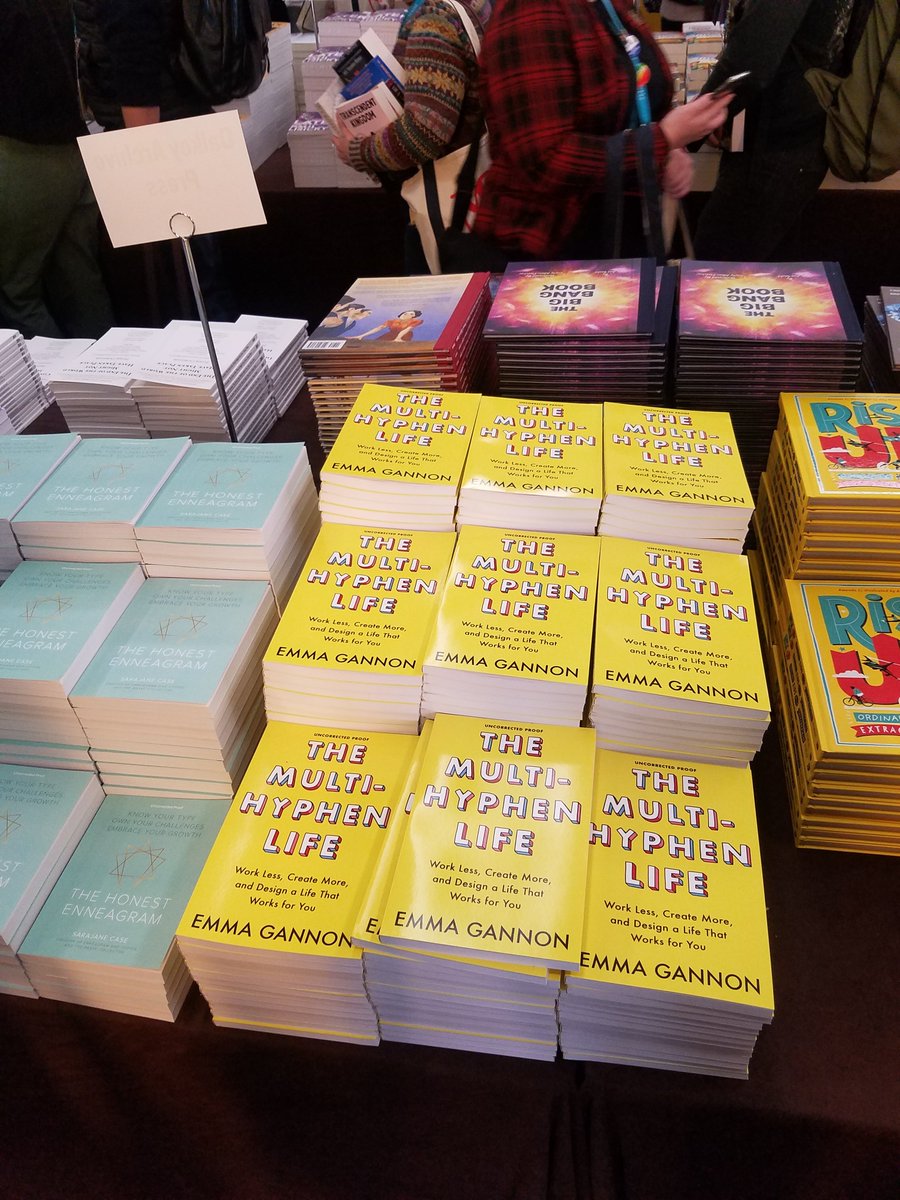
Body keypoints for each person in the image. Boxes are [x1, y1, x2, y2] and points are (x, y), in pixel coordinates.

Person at [470, 0, 733, 265]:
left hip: (617, 238)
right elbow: (544, 158)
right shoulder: (531, 9)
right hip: (554, 253)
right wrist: (661, 140)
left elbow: (629, 102)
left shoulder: (605, 5)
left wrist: (666, 152)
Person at [73, 0, 239, 320]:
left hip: (160, 139)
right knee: (201, 276)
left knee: (186, 282)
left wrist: (143, 160)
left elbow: (135, 61)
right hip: (186, 125)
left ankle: (210, 347)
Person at [333, 0, 492, 273]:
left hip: (445, 198)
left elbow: (425, 133)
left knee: (442, 292)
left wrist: (358, 151)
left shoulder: (434, 18)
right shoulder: (470, 7)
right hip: (473, 190)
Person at [692, 0, 857, 262]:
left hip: (776, 143)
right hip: (800, 132)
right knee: (770, 269)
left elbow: (751, 58)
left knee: (716, 268)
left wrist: (689, 130)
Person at [0, 0, 114, 340]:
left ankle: (49, 379)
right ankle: (107, 370)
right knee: (80, 284)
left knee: (14, 294)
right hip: (72, 150)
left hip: (20, 152)